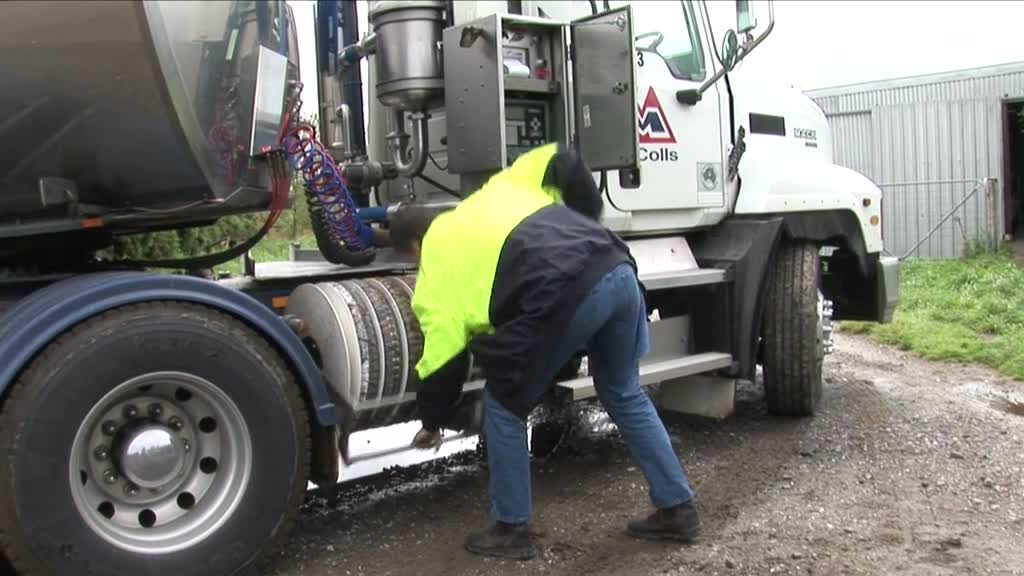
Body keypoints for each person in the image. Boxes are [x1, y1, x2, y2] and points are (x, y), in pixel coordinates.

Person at [389, 143, 700, 560]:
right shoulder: (501, 187)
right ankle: (677, 509)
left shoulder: (435, 261)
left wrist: (433, 419)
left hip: (564, 290)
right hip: (617, 266)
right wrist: (585, 227)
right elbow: (566, 159)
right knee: (622, 390)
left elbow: (445, 355)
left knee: (503, 402)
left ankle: (511, 527)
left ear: (414, 247)